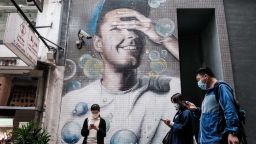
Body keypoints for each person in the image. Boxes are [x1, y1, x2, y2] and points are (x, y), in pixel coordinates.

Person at [59, 0, 180, 143]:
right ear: (98, 43)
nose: (132, 35)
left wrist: (163, 37)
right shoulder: (71, 102)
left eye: (136, 28)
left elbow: (204, 75)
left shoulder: (171, 89)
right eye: (117, 27)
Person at [186, 67, 239, 144]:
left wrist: (232, 132)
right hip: (206, 140)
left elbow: (229, 109)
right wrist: (196, 110)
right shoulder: (208, 93)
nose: (198, 83)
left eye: (198, 80)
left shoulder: (221, 87)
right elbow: (210, 115)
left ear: (205, 76)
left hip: (215, 140)